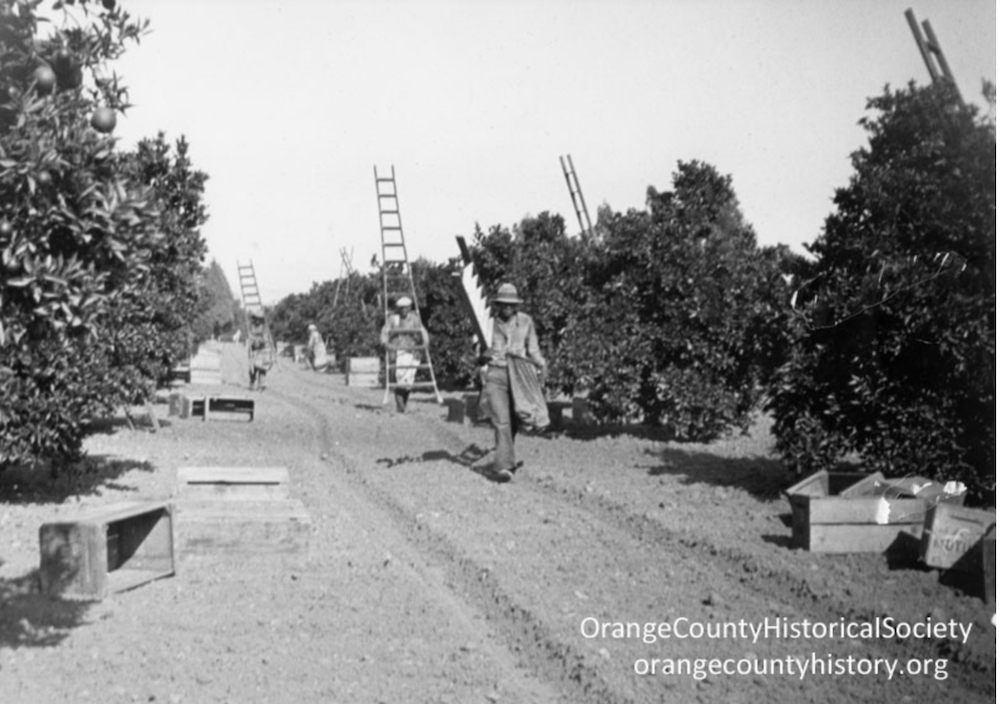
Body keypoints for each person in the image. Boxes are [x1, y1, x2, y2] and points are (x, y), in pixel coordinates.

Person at [480, 283, 548, 482]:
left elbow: (533, 349)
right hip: (496, 374)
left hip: (518, 375)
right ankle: (503, 466)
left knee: (515, 419)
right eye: (503, 304)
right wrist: (485, 356)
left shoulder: (526, 322)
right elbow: (479, 355)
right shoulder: (488, 324)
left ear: (516, 306)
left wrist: (542, 365)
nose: (507, 308)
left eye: (511, 304)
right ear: (498, 305)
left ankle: (505, 458)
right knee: (502, 420)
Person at [380, 296, 428, 412]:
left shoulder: (414, 319)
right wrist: (385, 343)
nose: (403, 310)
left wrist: (425, 342)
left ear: (410, 308)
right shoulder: (393, 319)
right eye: (401, 308)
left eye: (406, 308)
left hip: (411, 351)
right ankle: (400, 405)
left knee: (409, 381)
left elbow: (422, 331)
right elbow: (384, 332)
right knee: (398, 379)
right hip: (397, 352)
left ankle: (403, 404)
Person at [248, 312, 274, 390]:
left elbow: (265, 338)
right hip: (254, 350)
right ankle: (252, 383)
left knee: (262, 368)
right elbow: (251, 336)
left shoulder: (264, 327)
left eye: (258, 319)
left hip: (263, 350)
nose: (257, 321)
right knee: (253, 368)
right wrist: (253, 343)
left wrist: (259, 341)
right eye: (255, 319)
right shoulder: (252, 326)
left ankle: (261, 384)